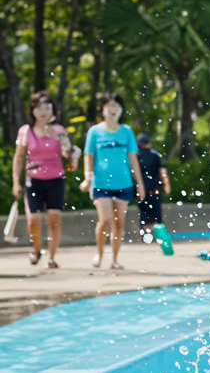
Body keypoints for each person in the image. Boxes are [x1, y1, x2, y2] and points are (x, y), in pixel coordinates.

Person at [11, 90, 74, 268]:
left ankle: (52, 257)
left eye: (47, 106)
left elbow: (68, 155)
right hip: (33, 181)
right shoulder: (25, 131)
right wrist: (16, 182)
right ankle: (37, 249)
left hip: (56, 180)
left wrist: (70, 153)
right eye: (38, 107)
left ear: (53, 109)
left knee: (54, 220)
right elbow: (19, 157)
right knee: (33, 220)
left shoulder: (59, 131)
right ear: (32, 110)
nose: (43, 111)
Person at [82, 93, 145, 270]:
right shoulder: (95, 131)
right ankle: (100, 253)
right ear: (103, 109)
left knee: (119, 223)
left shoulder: (127, 131)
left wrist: (139, 183)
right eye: (110, 105)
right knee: (106, 220)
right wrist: (88, 177)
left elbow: (133, 159)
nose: (113, 109)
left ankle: (115, 259)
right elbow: (89, 156)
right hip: (101, 183)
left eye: (117, 106)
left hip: (123, 183)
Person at [135, 134, 171, 238]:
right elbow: (161, 170)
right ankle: (159, 235)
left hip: (141, 190)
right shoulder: (154, 154)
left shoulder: (136, 156)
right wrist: (166, 184)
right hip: (154, 189)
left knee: (144, 215)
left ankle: (145, 236)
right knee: (156, 215)